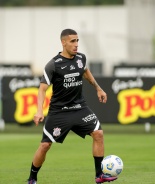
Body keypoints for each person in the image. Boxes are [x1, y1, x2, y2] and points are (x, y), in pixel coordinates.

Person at [27, 29, 117, 184]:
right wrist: (39, 111)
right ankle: (32, 178)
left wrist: (98, 88)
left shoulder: (81, 58)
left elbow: (85, 71)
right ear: (63, 42)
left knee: (99, 134)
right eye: (72, 41)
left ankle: (99, 175)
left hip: (79, 108)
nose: (76, 45)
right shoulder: (53, 65)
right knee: (45, 145)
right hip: (59, 112)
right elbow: (42, 89)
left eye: (77, 41)